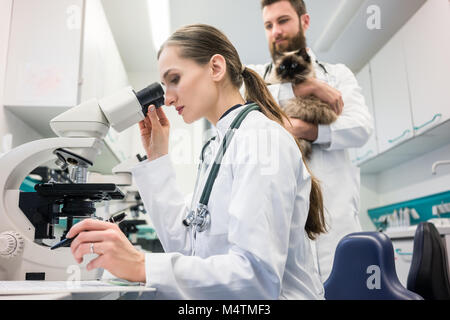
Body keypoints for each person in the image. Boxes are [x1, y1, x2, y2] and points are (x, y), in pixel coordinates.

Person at [66, 24, 327, 300]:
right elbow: (188, 247)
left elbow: (255, 278)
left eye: (174, 79)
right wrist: (158, 158)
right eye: (165, 85)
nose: (167, 98)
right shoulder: (217, 147)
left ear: (216, 68)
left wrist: (141, 264)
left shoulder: (263, 140)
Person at [248, 0, 374, 282]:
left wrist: (303, 129)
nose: (275, 31)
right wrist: (304, 86)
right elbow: (239, 101)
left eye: (283, 21)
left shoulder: (337, 74)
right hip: (283, 229)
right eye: (268, 25)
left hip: (336, 222)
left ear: (304, 22)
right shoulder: (258, 77)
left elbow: (361, 127)